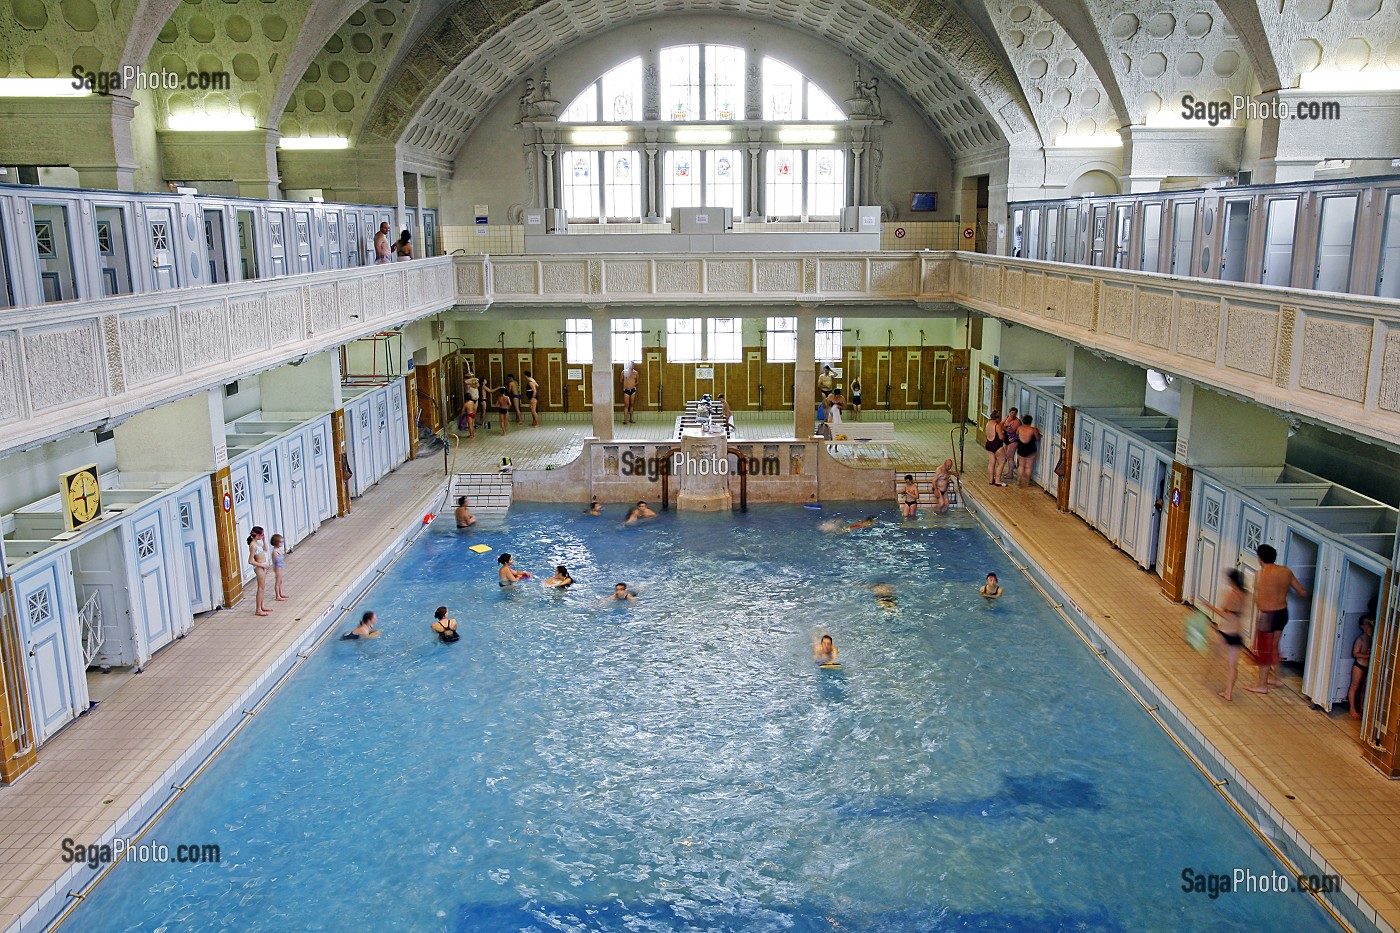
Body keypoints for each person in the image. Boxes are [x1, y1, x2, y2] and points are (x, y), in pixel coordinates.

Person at [1246, 544, 1307, 695]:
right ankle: (1277, 679)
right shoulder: (1286, 571)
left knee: (1264, 651)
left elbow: (1259, 598)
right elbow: (1301, 592)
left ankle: (1262, 685)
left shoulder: (1261, 575)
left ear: (1260, 558)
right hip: (1282, 613)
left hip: (1267, 616)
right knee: (1274, 646)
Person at [1203, 568, 1247, 701]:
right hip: (1237, 633)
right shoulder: (1245, 594)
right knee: (1233, 665)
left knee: (1215, 653)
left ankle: (1208, 675)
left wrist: (1210, 607)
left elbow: (1225, 614)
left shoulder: (1231, 595)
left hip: (1225, 632)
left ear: (1231, 581)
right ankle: (1228, 692)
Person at [1349, 617, 1374, 719]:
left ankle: (1362, 710)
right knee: (1354, 686)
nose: (1368, 626)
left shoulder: (1372, 638)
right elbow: (1355, 653)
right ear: (1362, 626)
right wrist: (1368, 656)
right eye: (1366, 624)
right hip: (1359, 665)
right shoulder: (1360, 639)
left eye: (1370, 623)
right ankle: (1352, 708)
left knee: (1365, 689)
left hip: (1368, 666)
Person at [246, 526, 272, 616]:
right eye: (261, 535)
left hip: (262, 567)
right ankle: (258, 609)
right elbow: (250, 561)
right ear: (256, 535)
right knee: (260, 588)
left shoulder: (257, 543)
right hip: (259, 567)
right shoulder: (253, 545)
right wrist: (263, 565)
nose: (262, 536)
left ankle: (262, 606)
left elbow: (265, 549)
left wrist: (264, 540)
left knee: (262, 588)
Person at [1016, 415, 1041, 488]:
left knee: (1021, 466)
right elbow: (1038, 438)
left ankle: (1018, 481)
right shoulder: (1033, 429)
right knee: (1028, 467)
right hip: (1030, 448)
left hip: (1021, 447)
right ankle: (1027, 483)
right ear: (1031, 421)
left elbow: (1017, 434)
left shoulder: (1019, 428)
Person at [999, 407, 1022, 483]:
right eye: (1012, 412)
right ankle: (1008, 471)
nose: (1013, 414)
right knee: (1006, 455)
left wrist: (1004, 428)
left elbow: (1012, 430)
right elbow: (1000, 424)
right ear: (1009, 412)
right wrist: (1003, 423)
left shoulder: (1017, 421)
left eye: (1015, 412)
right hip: (1006, 439)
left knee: (1010, 456)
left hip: (1013, 440)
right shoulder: (1007, 418)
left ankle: (1010, 473)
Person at [984, 409, 1006, 486]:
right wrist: (1004, 436)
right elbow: (1001, 437)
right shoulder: (997, 426)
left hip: (989, 444)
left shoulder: (988, 424)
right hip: (997, 445)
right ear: (998, 418)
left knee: (991, 462)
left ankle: (991, 480)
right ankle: (998, 480)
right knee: (1002, 462)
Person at [269, 533, 288, 602]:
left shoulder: (278, 549)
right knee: (277, 582)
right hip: (277, 568)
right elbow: (276, 561)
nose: (282, 544)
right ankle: (277, 596)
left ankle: (280, 593)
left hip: (280, 567)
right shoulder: (275, 552)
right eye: (281, 542)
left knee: (280, 581)